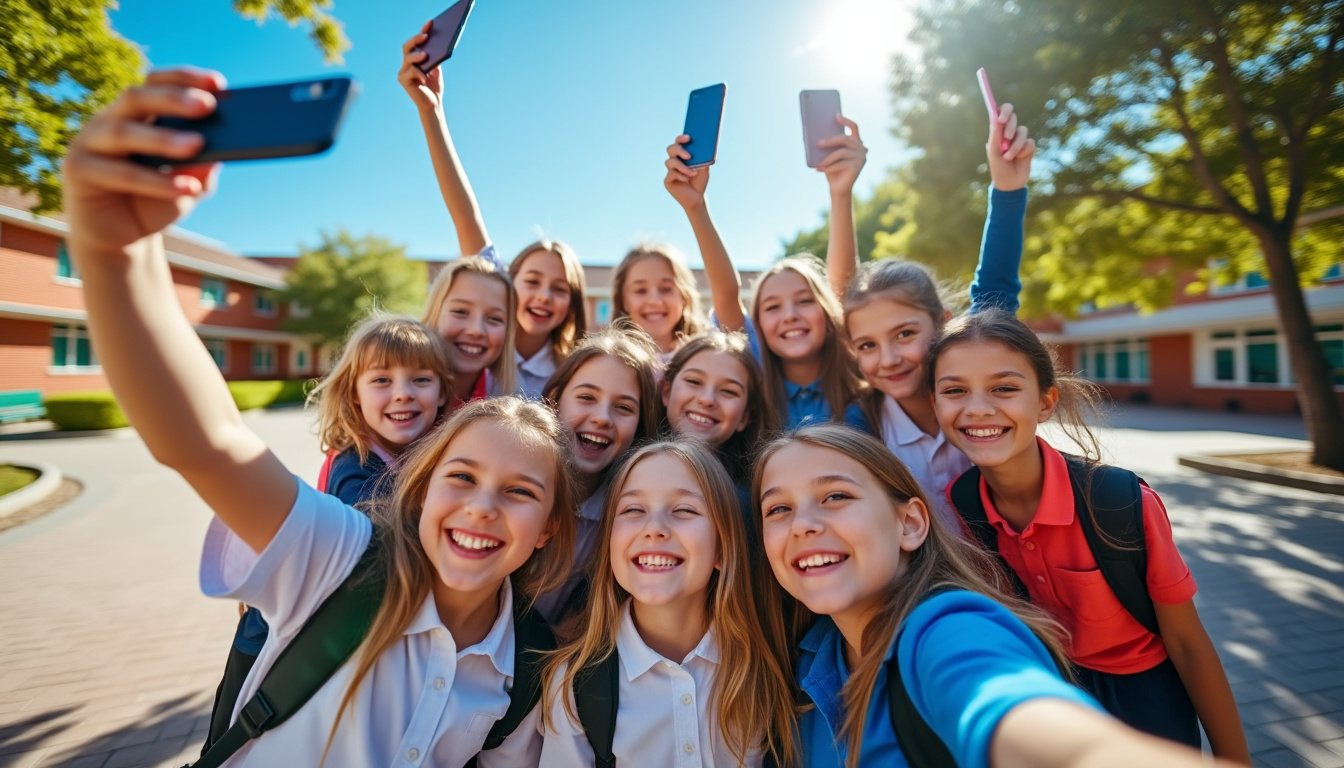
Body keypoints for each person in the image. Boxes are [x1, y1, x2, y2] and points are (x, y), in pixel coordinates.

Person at [61, 68, 576, 766]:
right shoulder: (340, 560)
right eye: (461, 476)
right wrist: (113, 249)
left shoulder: (525, 674)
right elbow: (205, 441)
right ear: (419, 483)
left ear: (549, 529)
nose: (483, 507)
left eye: (520, 490)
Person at [753, 424, 1243, 768]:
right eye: (778, 508)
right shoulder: (803, 662)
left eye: (836, 496)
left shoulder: (948, 630)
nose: (804, 524)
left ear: (910, 524)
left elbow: (1016, 710)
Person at [926, 310, 1250, 762]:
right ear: (935, 403)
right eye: (955, 390)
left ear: (1044, 402)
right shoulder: (962, 503)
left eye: (1004, 388)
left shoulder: (1119, 501)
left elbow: (1189, 645)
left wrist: (1236, 758)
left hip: (1146, 700)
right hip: (1048, 690)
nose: (978, 407)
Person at [539, 440, 797, 767]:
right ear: (609, 544)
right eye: (633, 510)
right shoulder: (572, 683)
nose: (655, 529)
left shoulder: (766, 662)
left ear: (722, 547)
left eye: (684, 510)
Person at [841, 103, 1035, 526]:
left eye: (905, 333)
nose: (888, 358)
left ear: (943, 322)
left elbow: (995, 291)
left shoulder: (973, 377)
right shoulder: (863, 425)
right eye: (867, 345)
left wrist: (1007, 191)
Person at [398, 28, 588, 398]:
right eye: (532, 280)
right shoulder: (480, 330)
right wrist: (431, 111)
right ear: (509, 285)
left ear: (573, 304)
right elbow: (465, 213)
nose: (544, 295)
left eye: (559, 289)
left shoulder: (568, 372)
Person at [664, 116, 869, 431]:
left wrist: (840, 194)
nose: (789, 315)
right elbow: (727, 293)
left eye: (804, 301)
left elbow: (844, 289)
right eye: (772, 307)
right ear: (757, 327)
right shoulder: (755, 367)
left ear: (829, 313)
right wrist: (696, 207)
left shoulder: (856, 371)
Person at [533, 325, 664, 625]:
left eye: (623, 407)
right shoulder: (512, 477)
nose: (602, 418)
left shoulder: (627, 517)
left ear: (640, 427)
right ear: (554, 400)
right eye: (587, 397)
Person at [309, 314, 453, 506]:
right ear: (354, 392)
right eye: (382, 380)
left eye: (421, 379)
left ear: (442, 392)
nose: (403, 394)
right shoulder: (355, 475)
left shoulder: (441, 456)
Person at [661, 330, 773, 493]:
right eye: (694, 381)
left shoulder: (751, 500)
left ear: (745, 416)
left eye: (728, 391)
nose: (707, 399)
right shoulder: (627, 476)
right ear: (666, 391)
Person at [421, 255, 518, 406]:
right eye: (460, 312)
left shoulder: (508, 406)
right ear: (434, 313)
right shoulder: (398, 394)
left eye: (494, 319)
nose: (476, 330)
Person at [610, 243, 708, 363]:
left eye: (666, 289)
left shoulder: (704, 355)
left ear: (684, 296)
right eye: (641, 291)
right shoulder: (611, 361)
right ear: (624, 301)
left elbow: (728, 293)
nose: (654, 301)